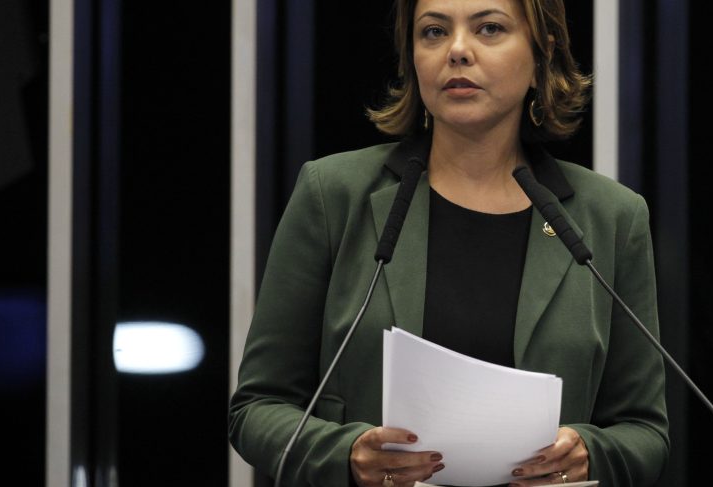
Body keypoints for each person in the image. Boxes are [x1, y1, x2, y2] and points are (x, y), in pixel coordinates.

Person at [228, 0, 669, 485]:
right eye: (434, 32)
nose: (457, 50)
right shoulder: (334, 196)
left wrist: (590, 452)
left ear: (542, 54)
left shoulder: (610, 217)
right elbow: (257, 409)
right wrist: (346, 454)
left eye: (489, 29)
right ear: (412, 56)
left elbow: (644, 431)